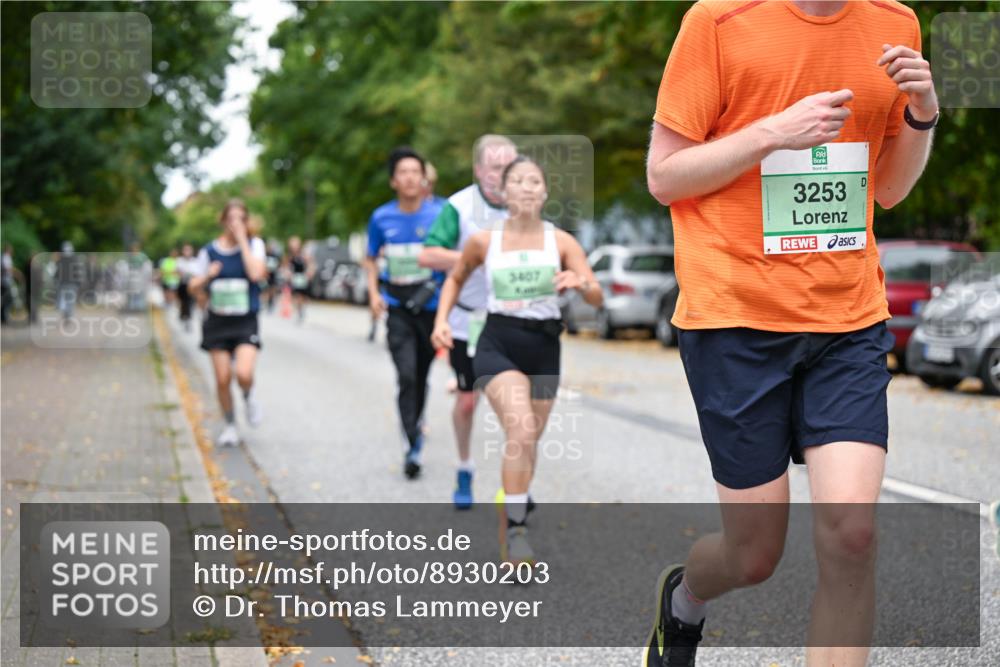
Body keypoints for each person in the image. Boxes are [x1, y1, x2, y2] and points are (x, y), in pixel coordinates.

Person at [642, 1, 938, 665]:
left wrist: (922, 112)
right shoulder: (718, 21)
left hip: (848, 318)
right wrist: (773, 131)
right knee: (753, 554)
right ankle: (684, 601)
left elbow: (889, 187)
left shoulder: (897, 22)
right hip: (735, 317)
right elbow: (663, 175)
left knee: (853, 534)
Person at [431, 155, 602, 562]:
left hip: (544, 346)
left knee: (528, 441)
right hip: (498, 342)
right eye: (518, 181)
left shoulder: (561, 241)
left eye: (535, 181)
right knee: (521, 431)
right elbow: (455, 278)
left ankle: (514, 497)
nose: (526, 187)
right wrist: (441, 320)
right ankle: (517, 531)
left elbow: (596, 296)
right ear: (503, 193)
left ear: (544, 192)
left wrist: (581, 284)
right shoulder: (484, 240)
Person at [420, 135, 518, 508]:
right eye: (496, 167)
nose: (505, 175)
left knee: (516, 407)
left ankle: (516, 485)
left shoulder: (526, 203)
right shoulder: (458, 207)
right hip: (468, 321)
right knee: (466, 404)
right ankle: (464, 466)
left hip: (512, 318)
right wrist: (473, 257)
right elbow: (428, 255)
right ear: (479, 170)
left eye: (510, 166)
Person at [364, 147, 445, 479]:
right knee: (406, 374)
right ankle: (412, 443)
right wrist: (372, 293)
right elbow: (370, 258)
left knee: (422, 375)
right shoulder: (381, 218)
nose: (411, 177)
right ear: (394, 181)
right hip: (396, 308)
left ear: (424, 178)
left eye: (416, 171)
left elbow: (454, 258)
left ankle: (416, 423)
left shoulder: (441, 215)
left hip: (429, 308)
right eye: (404, 172)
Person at [188, 199, 267, 447]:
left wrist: (243, 241)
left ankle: (248, 394)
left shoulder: (255, 245)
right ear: (223, 221)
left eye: (240, 219)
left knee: (243, 373)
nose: (235, 224)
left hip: (245, 321)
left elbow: (256, 274)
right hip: (218, 322)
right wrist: (208, 275)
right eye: (231, 219)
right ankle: (231, 424)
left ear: (246, 221)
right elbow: (192, 286)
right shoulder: (208, 252)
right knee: (222, 379)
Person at [284, 236, 314, 324]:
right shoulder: (290, 256)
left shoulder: (304, 255)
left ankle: (302, 309)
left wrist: (309, 273)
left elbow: (311, 264)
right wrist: (288, 274)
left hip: (303, 277)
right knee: (296, 296)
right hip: (295, 278)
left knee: (303, 296)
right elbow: (286, 267)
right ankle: (299, 311)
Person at [175, 243, 198, 332]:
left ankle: (188, 318)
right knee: (183, 302)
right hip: (183, 285)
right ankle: (183, 315)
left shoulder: (195, 261)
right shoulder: (180, 261)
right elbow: (178, 272)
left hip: (192, 285)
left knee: (190, 302)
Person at [264, 239, 283, 313]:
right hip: (266, 274)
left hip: (273, 275)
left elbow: (279, 264)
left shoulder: (276, 256)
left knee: (272, 289)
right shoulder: (266, 254)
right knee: (266, 290)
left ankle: (271, 303)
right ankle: (267, 303)